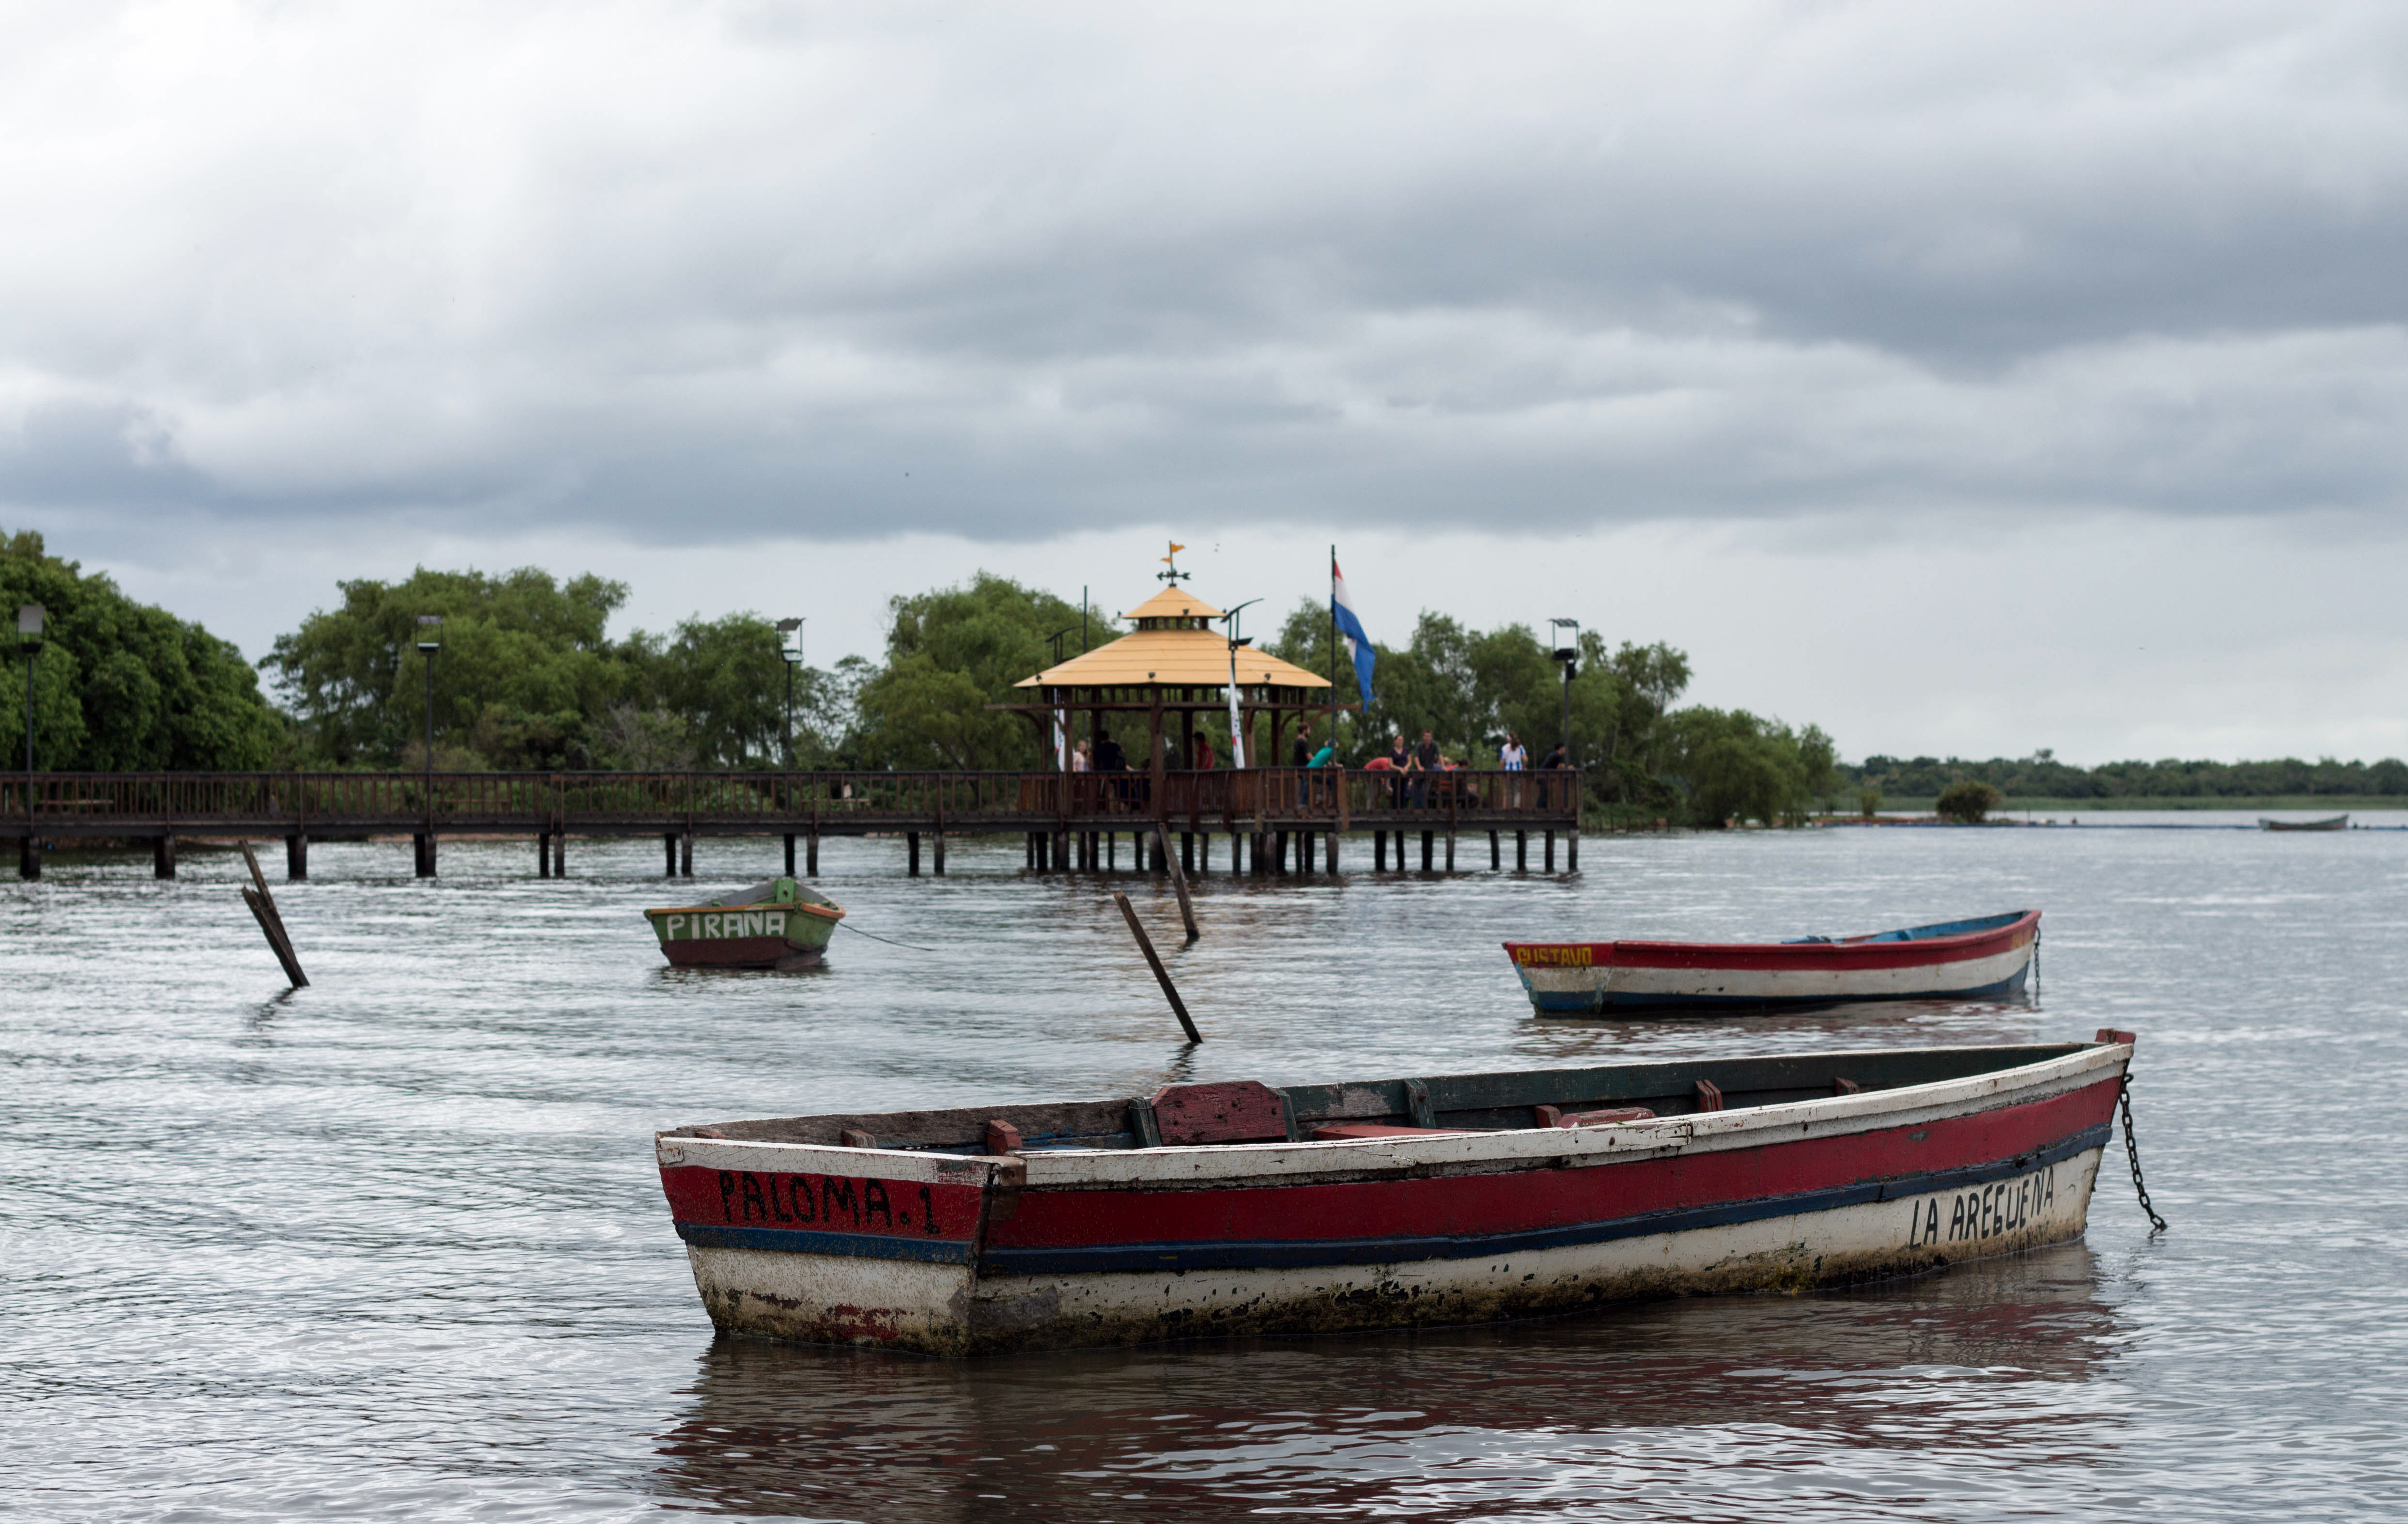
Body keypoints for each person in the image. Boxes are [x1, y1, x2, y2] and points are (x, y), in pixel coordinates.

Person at [1410, 730, 1440, 808]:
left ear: (1431, 737)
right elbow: (1416, 757)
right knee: (1415, 791)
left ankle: (1423, 810)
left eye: (1429, 737)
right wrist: (1419, 766)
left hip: (1429, 772)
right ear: (1423, 737)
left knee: (1424, 791)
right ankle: (1416, 810)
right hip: (1418, 772)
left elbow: (1440, 755)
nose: (1427, 738)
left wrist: (1443, 766)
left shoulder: (1434, 745)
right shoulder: (1419, 745)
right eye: (1426, 736)